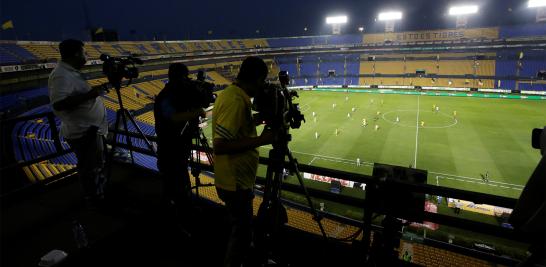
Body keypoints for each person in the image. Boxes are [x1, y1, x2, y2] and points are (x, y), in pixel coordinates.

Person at [213, 56, 275, 267]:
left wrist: (255, 120)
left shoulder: (234, 95)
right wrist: (262, 139)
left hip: (236, 180)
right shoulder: (235, 100)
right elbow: (220, 146)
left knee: (241, 228)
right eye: (262, 82)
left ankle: (242, 257)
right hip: (235, 182)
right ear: (256, 79)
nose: (262, 87)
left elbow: (237, 130)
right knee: (242, 231)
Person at [48, 39, 108, 207]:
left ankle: (98, 193)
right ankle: (95, 199)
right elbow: (59, 104)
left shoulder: (70, 72)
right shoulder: (61, 74)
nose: (86, 56)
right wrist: (91, 94)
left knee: (95, 165)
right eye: (83, 52)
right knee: (91, 168)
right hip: (83, 132)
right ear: (75, 54)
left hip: (90, 130)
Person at [154, 63, 206, 212]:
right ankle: (177, 215)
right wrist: (196, 113)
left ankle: (182, 208)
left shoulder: (173, 93)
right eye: (185, 77)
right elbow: (173, 118)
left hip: (177, 148)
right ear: (180, 77)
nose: (187, 81)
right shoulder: (167, 96)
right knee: (174, 185)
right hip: (170, 150)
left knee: (180, 180)